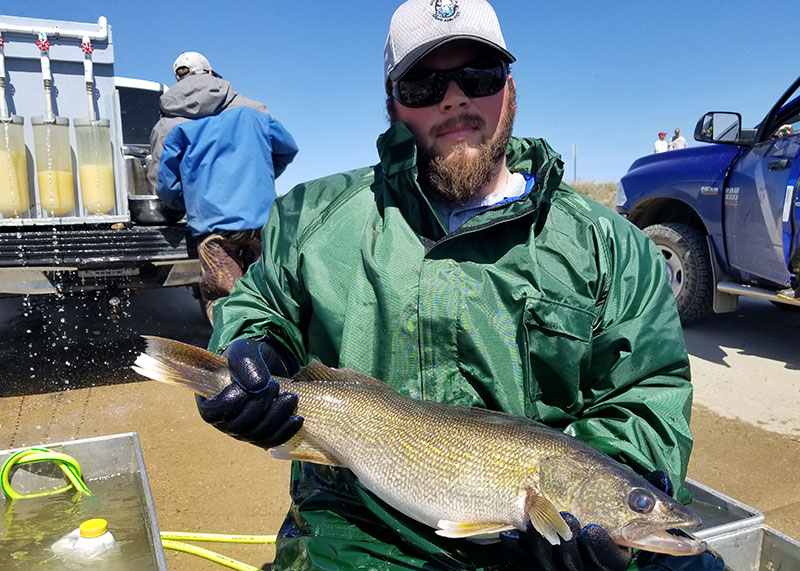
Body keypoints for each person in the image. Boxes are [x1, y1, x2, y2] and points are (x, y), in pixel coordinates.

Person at [196, 2, 719, 569]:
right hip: (358, 530)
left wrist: (599, 510)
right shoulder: (313, 217)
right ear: (393, 103)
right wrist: (249, 349)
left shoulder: (610, 245)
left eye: (478, 75)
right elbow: (260, 305)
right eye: (423, 83)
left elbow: (645, 395)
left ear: (509, 87)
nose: (454, 97)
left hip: (542, 545)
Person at [147, 52, 299, 322]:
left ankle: (235, 360)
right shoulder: (253, 109)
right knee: (272, 294)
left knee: (226, 303)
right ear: (210, 73)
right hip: (261, 222)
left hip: (213, 227)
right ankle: (280, 356)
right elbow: (287, 149)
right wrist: (259, 179)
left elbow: (166, 186)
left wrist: (194, 199)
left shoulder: (170, 125)